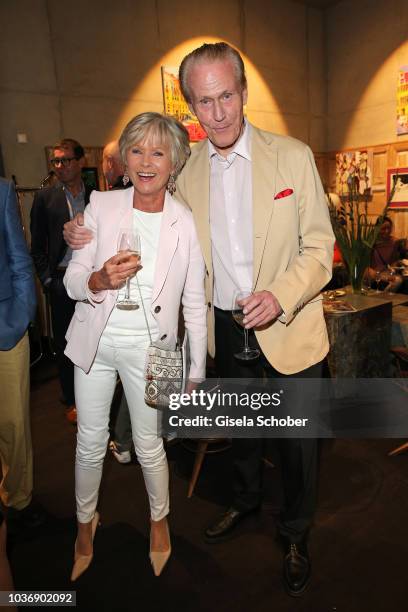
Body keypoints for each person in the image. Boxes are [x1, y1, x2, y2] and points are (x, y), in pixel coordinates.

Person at [175, 42, 334, 596]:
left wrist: (281, 295)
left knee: (295, 444)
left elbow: (320, 249)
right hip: (225, 322)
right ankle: (244, 502)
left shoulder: (292, 156)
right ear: (190, 106)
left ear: (244, 93)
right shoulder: (187, 172)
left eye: (226, 97)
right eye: (203, 102)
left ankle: (295, 531)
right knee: (243, 431)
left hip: (288, 324)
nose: (217, 113)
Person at [63, 112, 206, 580]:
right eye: (138, 150)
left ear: (174, 162)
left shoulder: (184, 221)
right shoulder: (100, 206)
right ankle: (85, 526)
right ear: (124, 159)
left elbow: (193, 303)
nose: (147, 161)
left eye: (158, 152)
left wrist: (195, 373)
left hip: (159, 350)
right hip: (97, 341)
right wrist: (99, 278)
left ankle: (159, 520)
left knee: (150, 444)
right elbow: (72, 280)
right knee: (89, 442)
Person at [30, 138, 93, 424]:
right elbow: (37, 245)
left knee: (93, 339)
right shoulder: (45, 198)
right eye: (56, 161)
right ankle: (71, 399)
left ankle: (94, 395)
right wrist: (47, 279)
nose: (61, 166)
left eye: (66, 160)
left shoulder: (96, 196)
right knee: (66, 343)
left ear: (80, 161)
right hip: (60, 279)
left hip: (93, 280)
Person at [0, 178, 44, 538]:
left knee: (13, 424)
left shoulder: (1, 191)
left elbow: (19, 257)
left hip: (4, 329)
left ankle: (20, 500)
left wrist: (19, 318)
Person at [367, 216, 406, 291]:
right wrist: (379, 275)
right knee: (397, 280)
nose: (387, 231)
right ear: (377, 229)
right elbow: (366, 267)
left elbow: (392, 263)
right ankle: (384, 297)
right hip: (373, 273)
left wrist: (399, 263)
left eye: (389, 228)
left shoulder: (394, 242)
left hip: (387, 272)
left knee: (400, 279)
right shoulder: (370, 243)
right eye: (383, 229)